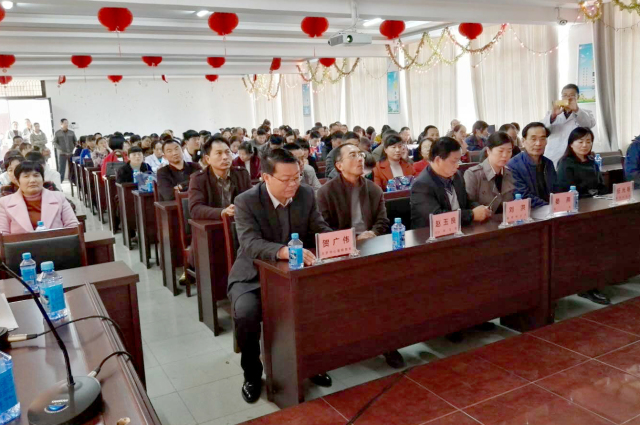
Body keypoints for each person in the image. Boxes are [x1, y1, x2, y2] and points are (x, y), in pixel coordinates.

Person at [227, 148, 333, 403]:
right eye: (286, 179)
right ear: (266, 177)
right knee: (246, 313)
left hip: (295, 274)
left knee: (322, 301)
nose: (293, 184)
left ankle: (312, 363)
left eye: (296, 177)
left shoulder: (305, 194)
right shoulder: (246, 201)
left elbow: (318, 227)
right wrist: (282, 251)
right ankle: (252, 374)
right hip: (252, 276)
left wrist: (337, 241)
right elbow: (250, 243)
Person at [410, 137, 492, 229]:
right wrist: (472, 214)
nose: (457, 166)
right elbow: (437, 217)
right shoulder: (421, 185)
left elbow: (465, 202)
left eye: (458, 161)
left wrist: (479, 209)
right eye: (454, 161)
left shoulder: (457, 175)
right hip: (429, 234)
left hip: (458, 229)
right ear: (438, 160)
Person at [0, 161, 78, 234]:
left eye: (36, 175)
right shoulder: (4, 203)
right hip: (20, 244)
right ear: (17, 181)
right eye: (26, 176)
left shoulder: (59, 197)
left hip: (57, 243)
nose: (32, 180)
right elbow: (3, 234)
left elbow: (73, 226)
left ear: (43, 179)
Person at [189, 136, 252, 221]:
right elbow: (195, 209)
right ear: (208, 159)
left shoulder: (242, 174)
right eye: (219, 153)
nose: (225, 157)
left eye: (227, 152)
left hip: (240, 223)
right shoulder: (198, 179)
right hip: (214, 225)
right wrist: (222, 212)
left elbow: (251, 200)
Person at [542, 84, 596, 167]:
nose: (568, 98)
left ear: (578, 97)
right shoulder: (551, 113)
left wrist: (576, 110)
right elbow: (542, 129)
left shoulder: (585, 113)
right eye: (565, 95)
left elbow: (588, 124)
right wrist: (553, 116)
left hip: (574, 157)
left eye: (571, 95)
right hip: (553, 155)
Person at [464, 132, 516, 214]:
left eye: (509, 151)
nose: (505, 155)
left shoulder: (510, 173)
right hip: (483, 220)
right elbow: (468, 204)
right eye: (500, 151)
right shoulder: (473, 174)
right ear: (488, 151)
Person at [507, 122, 557, 208]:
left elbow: (556, 190)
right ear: (523, 141)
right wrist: (549, 207)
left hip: (551, 211)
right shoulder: (513, 166)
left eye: (542, 139)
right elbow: (523, 196)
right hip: (528, 212)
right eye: (533, 139)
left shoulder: (548, 163)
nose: (538, 143)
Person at [556, 127, 606, 197]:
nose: (584, 145)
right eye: (580, 142)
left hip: (595, 199)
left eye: (588, 142)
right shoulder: (565, 163)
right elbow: (565, 190)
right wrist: (590, 193)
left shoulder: (592, 161)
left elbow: (601, 185)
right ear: (571, 144)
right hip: (577, 200)